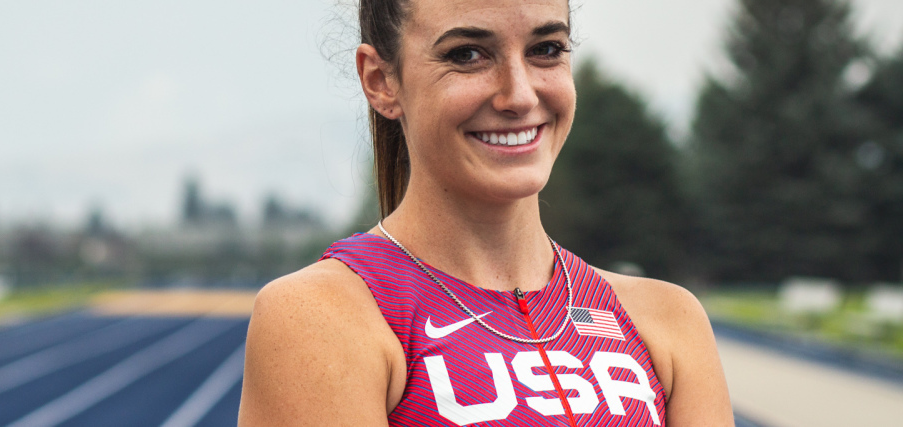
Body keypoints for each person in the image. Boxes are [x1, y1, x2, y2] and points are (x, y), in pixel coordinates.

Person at [238, 0, 732, 425]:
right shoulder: (322, 318)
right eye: (467, 55)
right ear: (381, 80)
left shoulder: (668, 322)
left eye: (546, 49)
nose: (519, 95)